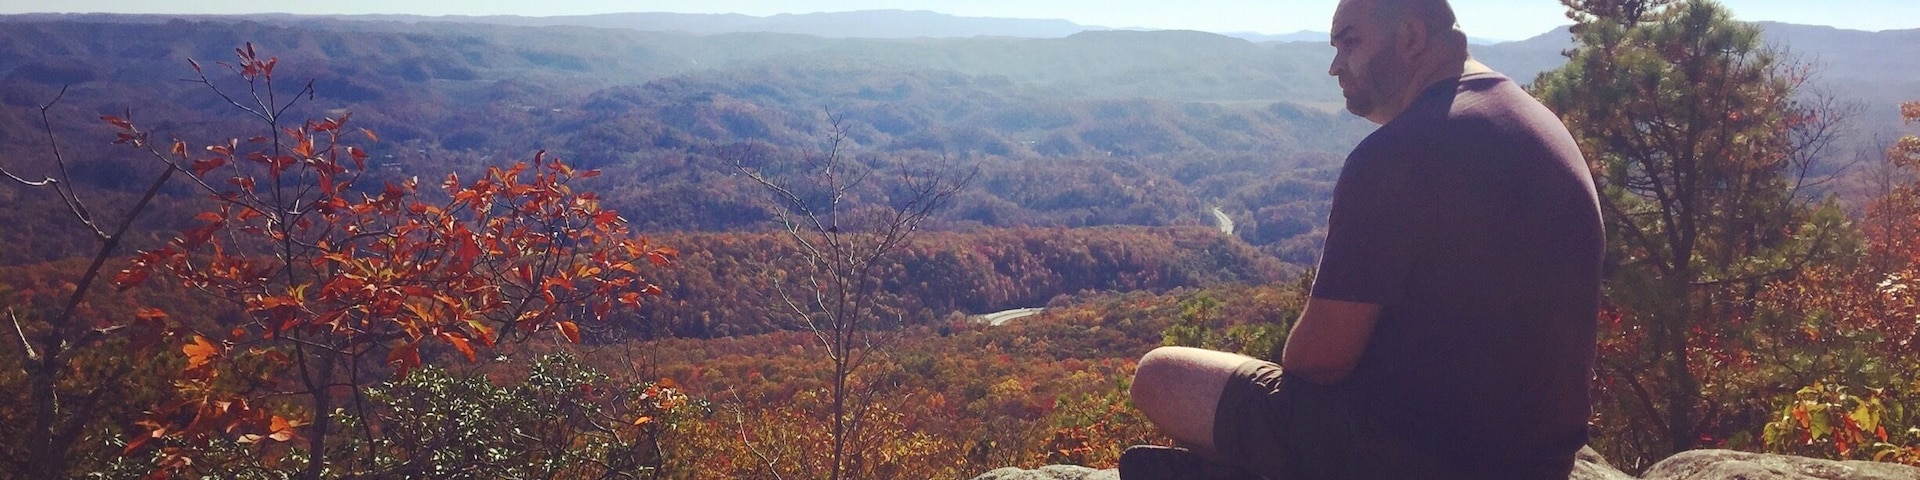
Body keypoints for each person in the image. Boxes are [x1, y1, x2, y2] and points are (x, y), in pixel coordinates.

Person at [1120, 0, 1604, 478]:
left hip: (1410, 456)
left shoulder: (1400, 153)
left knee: (1160, 375)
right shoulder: (1537, 124)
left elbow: (1317, 361)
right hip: (1541, 461)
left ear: (1412, 37)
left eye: (1349, 42)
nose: (1335, 67)